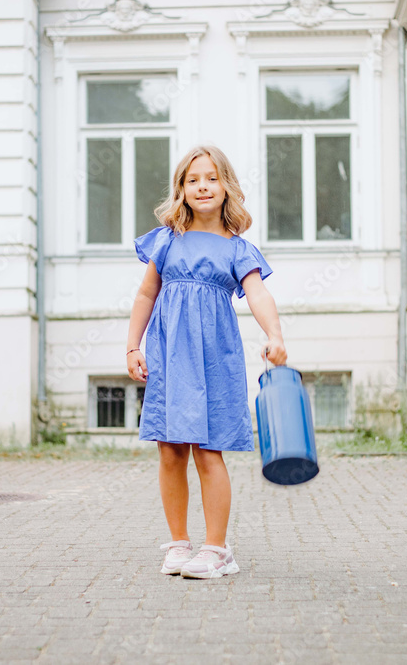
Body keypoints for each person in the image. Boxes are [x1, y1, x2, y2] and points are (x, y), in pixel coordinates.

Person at [126, 144, 287, 579]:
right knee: (171, 449)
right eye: (193, 179)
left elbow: (258, 293)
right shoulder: (165, 240)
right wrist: (132, 346)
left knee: (208, 451)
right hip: (168, 356)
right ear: (181, 189)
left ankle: (217, 549)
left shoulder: (238, 249)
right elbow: (146, 294)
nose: (202, 186)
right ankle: (179, 543)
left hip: (215, 359)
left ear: (226, 186)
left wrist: (274, 335)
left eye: (211, 177)